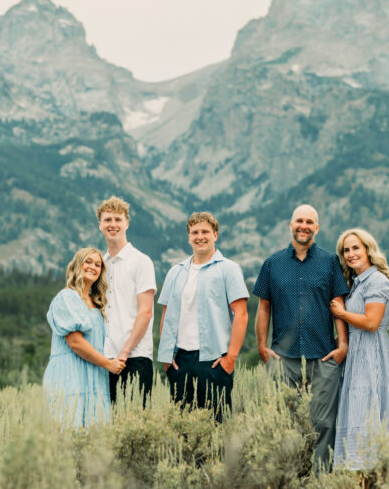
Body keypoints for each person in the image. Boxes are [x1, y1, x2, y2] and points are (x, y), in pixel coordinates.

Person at [253, 204, 349, 472]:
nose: (303, 226)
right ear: (290, 225)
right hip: (283, 358)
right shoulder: (272, 263)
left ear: (316, 228)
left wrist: (343, 345)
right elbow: (263, 307)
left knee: (324, 423)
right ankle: (289, 477)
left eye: (309, 222)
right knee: (283, 422)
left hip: (324, 355)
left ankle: (321, 479)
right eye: (299, 221)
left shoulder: (330, 262)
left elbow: (337, 302)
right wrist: (262, 346)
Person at [157, 212, 249, 421]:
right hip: (180, 360)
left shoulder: (228, 269)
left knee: (216, 426)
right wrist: (166, 357)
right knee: (182, 429)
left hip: (214, 361)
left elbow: (241, 315)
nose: (200, 236)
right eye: (195, 232)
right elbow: (166, 314)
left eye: (205, 231)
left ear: (215, 235)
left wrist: (231, 358)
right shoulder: (176, 272)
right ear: (189, 237)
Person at [329, 229, 389, 472]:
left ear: (368, 249)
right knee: (356, 414)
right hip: (357, 355)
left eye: (355, 248)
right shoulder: (357, 283)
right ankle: (356, 476)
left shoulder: (377, 280)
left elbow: (371, 322)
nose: (350, 254)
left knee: (366, 415)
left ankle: (368, 475)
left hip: (371, 355)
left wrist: (341, 313)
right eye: (346, 250)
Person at [43, 247, 123, 428]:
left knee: (96, 432)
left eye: (98, 264)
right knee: (70, 426)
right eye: (88, 262)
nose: (93, 267)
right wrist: (108, 364)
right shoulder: (67, 297)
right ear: (78, 265)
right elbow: (75, 342)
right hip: (70, 372)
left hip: (94, 374)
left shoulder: (98, 303)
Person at [97, 196, 156, 407]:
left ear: (127, 224)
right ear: (100, 225)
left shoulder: (141, 261)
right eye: (107, 220)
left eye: (118, 219)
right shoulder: (99, 265)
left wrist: (124, 353)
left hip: (135, 357)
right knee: (107, 424)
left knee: (135, 427)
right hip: (104, 359)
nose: (113, 225)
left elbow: (146, 312)